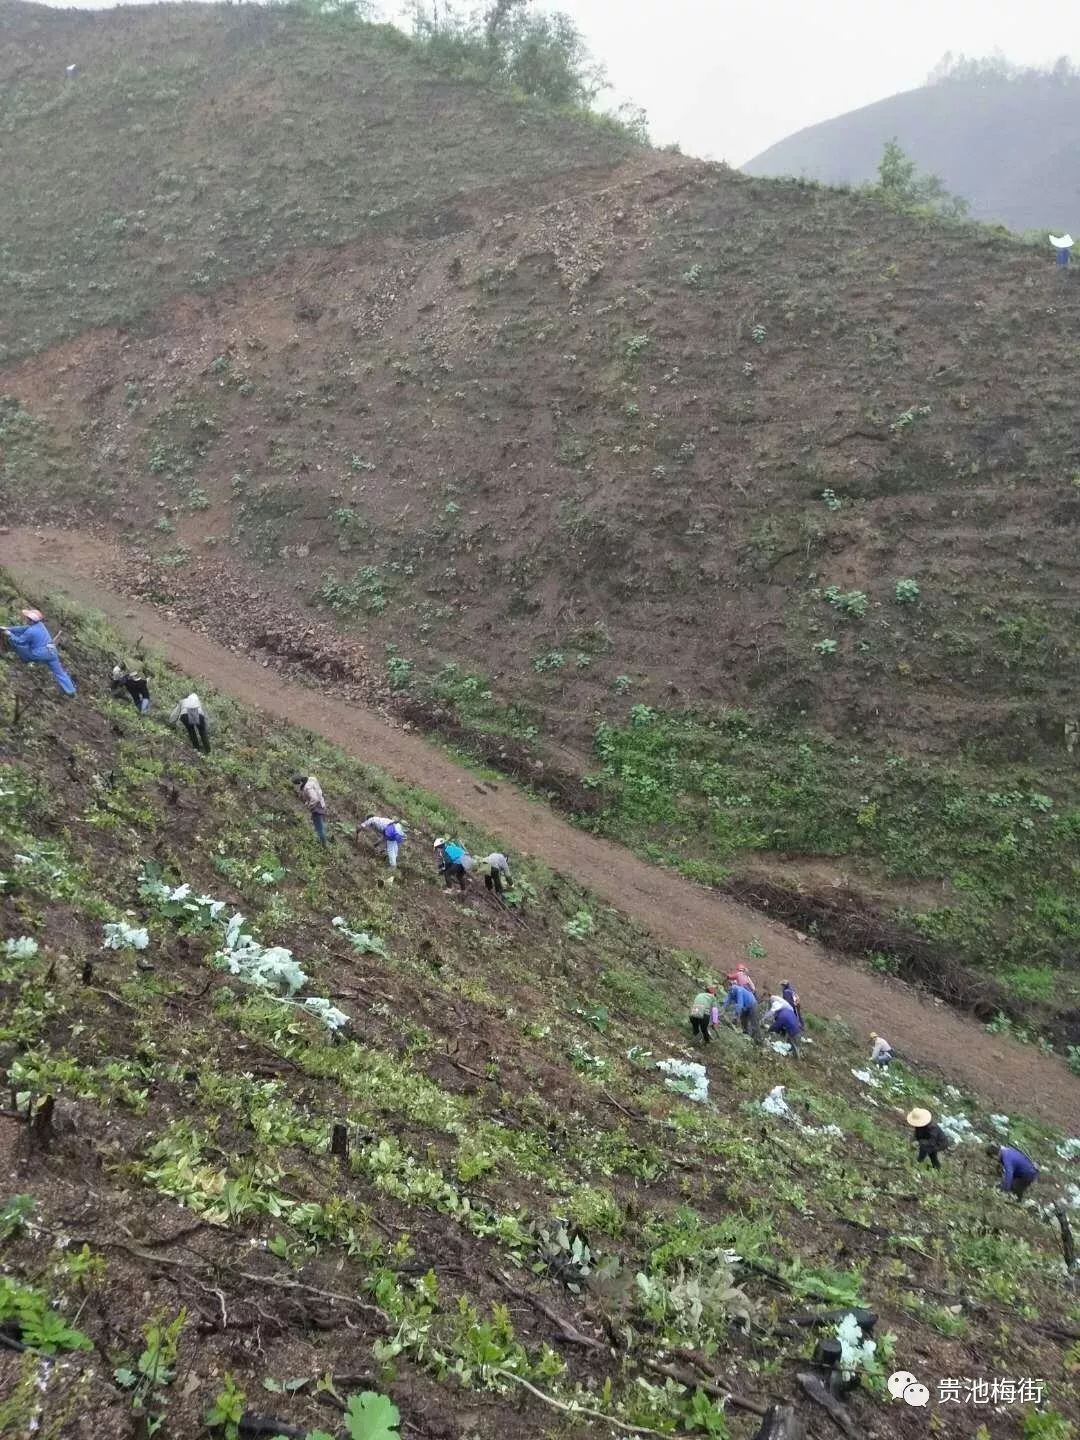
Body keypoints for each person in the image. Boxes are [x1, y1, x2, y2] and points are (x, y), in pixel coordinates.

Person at [2, 609, 76, 695]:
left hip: (40, 654)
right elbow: (22, 628)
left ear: (31, 620)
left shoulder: (31, 631)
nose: (25, 619)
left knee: (18, 645)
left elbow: (20, 641)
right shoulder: (40, 625)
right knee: (59, 673)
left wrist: (9, 634)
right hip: (52, 652)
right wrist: (8, 628)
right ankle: (70, 690)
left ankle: (24, 659)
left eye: (27, 618)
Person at [293, 775, 328, 845]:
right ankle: (324, 840)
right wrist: (308, 801)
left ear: (299, 783)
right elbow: (316, 793)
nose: (296, 787)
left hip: (317, 807)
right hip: (322, 803)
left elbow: (314, 798)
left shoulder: (307, 787)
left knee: (319, 828)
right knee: (322, 825)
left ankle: (323, 845)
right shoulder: (311, 779)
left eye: (295, 785)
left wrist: (310, 805)